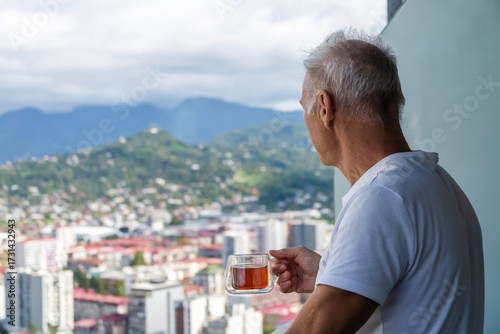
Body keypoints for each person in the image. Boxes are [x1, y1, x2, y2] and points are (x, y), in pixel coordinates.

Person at [270, 29, 484, 334]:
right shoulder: (437, 183)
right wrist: (330, 275)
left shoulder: (382, 196)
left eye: (305, 109)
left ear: (324, 106)